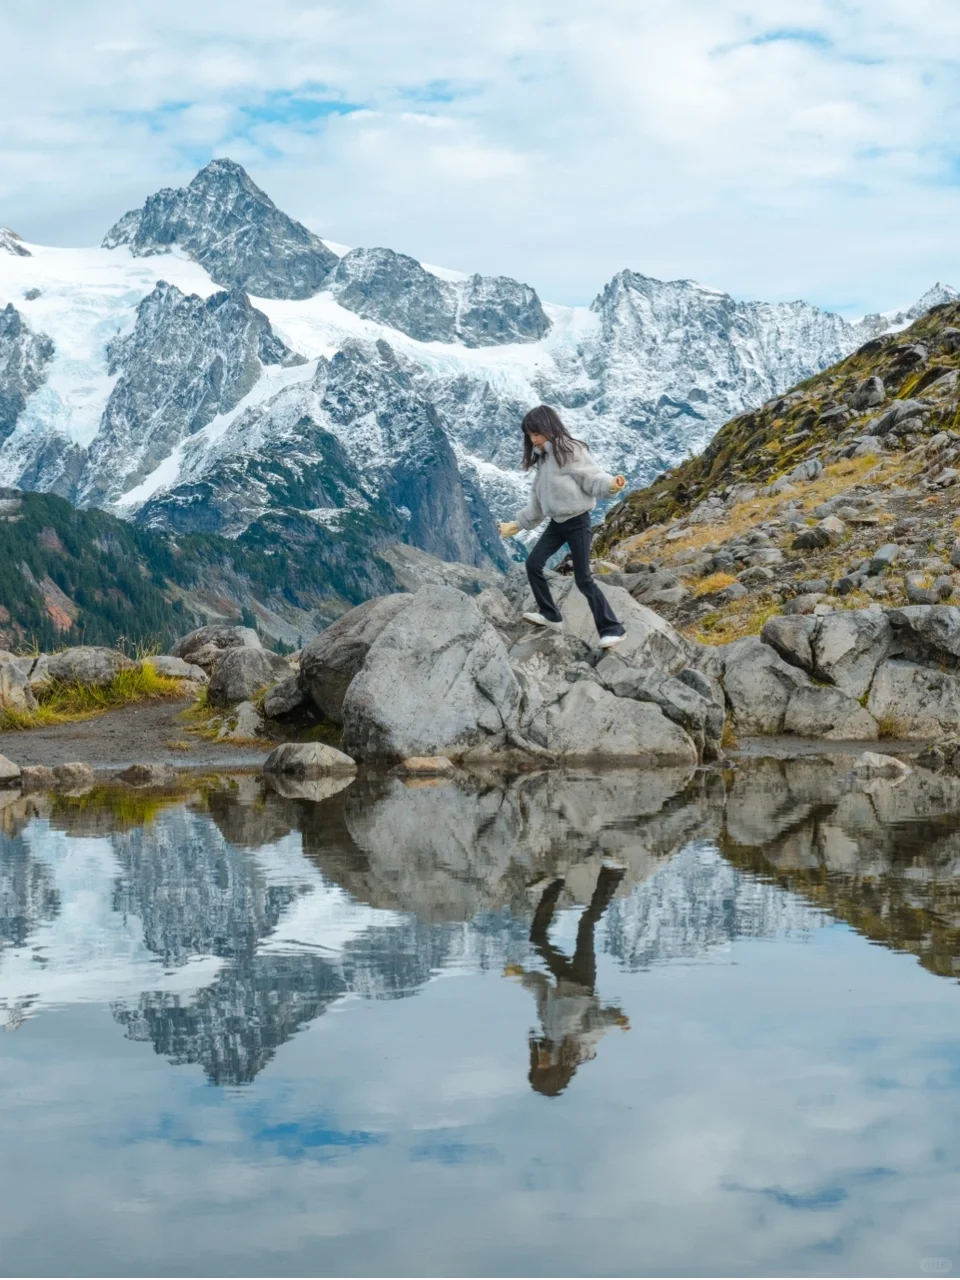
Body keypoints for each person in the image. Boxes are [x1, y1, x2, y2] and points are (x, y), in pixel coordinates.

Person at [498, 405, 627, 649]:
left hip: (577, 521)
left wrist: (611, 484)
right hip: (557, 523)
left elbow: (592, 478)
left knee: (583, 579)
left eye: (536, 433)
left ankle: (613, 629)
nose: (533, 439)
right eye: (530, 435)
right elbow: (537, 501)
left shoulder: (570, 450)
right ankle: (551, 616)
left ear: (549, 427)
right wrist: (515, 525)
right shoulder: (544, 460)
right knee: (533, 563)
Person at [505, 864, 630, 1097]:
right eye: (543, 1067)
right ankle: (613, 874)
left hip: (563, 980)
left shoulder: (549, 1035)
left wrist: (520, 976)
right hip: (583, 983)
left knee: (537, 938)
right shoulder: (579, 1048)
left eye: (536, 1065)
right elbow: (597, 1025)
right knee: (586, 925)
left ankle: (557, 882)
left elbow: (542, 991)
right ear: (554, 1070)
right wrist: (616, 1020)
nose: (539, 1061)